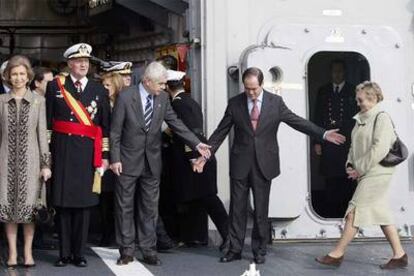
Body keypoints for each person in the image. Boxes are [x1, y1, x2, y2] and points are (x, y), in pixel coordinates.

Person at [195, 67, 345, 264]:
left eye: (254, 89)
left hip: (264, 163)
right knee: (237, 210)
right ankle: (234, 249)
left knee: (261, 210)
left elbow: (297, 122)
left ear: (261, 84)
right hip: (241, 163)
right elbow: (220, 132)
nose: (251, 93)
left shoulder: (276, 103)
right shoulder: (235, 103)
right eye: (248, 89)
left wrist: (323, 134)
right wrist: (205, 155)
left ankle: (259, 250)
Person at [110, 61, 211, 266]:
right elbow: (115, 131)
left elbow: (176, 124)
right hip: (127, 161)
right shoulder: (126, 97)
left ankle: (149, 250)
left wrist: (196, 143)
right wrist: (115, 159)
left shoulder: (163, 98)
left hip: (152, 162)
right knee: (125, 206)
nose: (164, 87)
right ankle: (126, 250)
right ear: (147, 82)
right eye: (161, 84)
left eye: (165, 84)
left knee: (150, 208)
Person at [316, 81, 408, 269]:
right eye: (358, 100)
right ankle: (400, 255)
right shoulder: (360, 118)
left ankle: (337, 254)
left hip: (378, 172)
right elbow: (353, 146)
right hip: (368, 171)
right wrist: (350, 164)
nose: (359, 103)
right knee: (382, 214)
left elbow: (379, 149)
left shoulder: (381, 118)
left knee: (353, 212)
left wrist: (360, 168)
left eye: (361, 100)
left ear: (372, 98)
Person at [46, 43, 110, 267]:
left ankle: (79, 253)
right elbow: (47, 125)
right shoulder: (55, 87)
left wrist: (104, 156)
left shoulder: (99, 89)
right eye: (79, 61)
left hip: (86, 156)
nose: (83, 64)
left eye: (87, 61)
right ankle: (64, 253)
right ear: (69, 64)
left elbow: (104, 127)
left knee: (84, 206)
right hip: (63, 152)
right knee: (63, 205)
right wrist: (47, 157)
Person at [165, 70, 229, 249]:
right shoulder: (189, 101)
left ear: (167, 87)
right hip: (200, 155)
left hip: (195, 158)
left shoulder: (178, 105)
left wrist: (194, 157)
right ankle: (196, 237)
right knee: (198, 198)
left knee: (207, 198)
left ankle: (229, 235)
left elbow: (191, 131)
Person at [0, 55, 51, 267]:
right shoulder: (1, 101)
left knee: (30, 211)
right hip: (5, 163)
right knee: (9, 211)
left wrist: (45, 164)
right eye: (14, 74)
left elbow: (42, 135)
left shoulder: (39, 101)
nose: (18, 78)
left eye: (22, 74)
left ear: (28, 76)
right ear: (8, 77)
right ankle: (12, 253)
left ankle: (28, 253)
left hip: (31, 165)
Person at [314, 59, 358, 218]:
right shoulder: (323, 91)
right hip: (328, 140)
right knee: (330, 177)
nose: (337, 74)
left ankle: (346, 212)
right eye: (334, 71)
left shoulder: (353, 90)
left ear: (344, 72)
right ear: (330, 73)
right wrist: (318, 141)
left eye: (340, 71)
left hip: (348, 140)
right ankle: (331, 211)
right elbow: (317, 117)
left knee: (348, 175)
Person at [29, 66, 56, 251]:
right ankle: (34, 238)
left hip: (49, 154)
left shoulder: (50, 100)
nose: (53, 85)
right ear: (37, 83)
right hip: (32, 155)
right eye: (49, 82)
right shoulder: (31, 101)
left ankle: (42, 234)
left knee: (44, 196)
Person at [99, 72, 124, 246]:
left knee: (121, 197)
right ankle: (107, 233)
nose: (105, 88)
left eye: (108, 85)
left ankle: (120, 233)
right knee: (105, 196)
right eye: (103, 85)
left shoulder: (123, 103)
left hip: (122, 154)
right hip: (104, 153)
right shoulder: (101, 103)